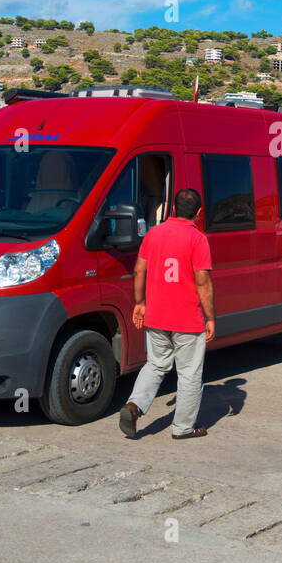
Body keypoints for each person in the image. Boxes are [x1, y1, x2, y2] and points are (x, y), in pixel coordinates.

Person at [119, 187, 216, 439]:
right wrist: (211, 317)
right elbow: (203, 281)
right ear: (199, 213)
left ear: (173, 209)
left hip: (157, 316)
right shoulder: (198, 239)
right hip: (187, 319)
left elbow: (139, 271)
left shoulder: (153, 233)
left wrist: (139, 303)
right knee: (189, 374)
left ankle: (134, 405)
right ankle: (183, 428)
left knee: (155, 364)